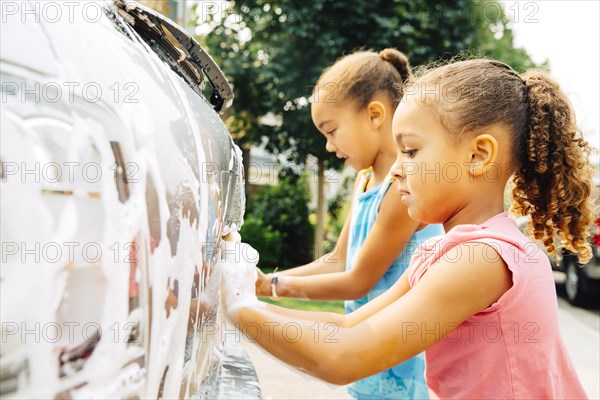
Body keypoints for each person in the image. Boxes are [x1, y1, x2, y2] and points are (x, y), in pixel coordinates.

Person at [219, 59, 595, 399]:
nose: (396, 168)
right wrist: (248, 299)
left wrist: (238, 308)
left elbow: (342, 358)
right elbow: (346, 324)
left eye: (411, 151)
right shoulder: (443, 252)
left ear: (478, 155)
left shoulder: (481, 257)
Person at [255, 49, 443, 399]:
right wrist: (267, 281)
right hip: (366, 361)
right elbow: (338, 259)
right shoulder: (366, 180)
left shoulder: (402, 192)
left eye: (332, 130)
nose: (329, 146)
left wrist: (271, 288)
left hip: (397, 371)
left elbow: (358, 281)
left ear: (374, 114)